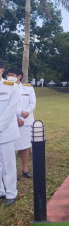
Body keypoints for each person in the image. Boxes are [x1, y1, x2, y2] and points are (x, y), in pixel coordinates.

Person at [6, 67, 36, 179]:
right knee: (10, 148)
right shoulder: (5, 88)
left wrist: (24, 114)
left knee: (24, 147)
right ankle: (12, 171)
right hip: (11, 121)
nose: (10, 77)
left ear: (19, 76)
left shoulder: (28, 88)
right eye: (8, 74)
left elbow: (32, 103)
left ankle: (25, 169)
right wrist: (17, 117)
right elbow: (7, 105)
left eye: (13, 74)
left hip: (26, 121)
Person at [0, 59, 20, 207]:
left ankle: (11, 193)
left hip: (5, 132)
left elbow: (11, 109)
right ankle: (1, 191)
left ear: (2, 70)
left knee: (8, 164)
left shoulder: (11, 86)